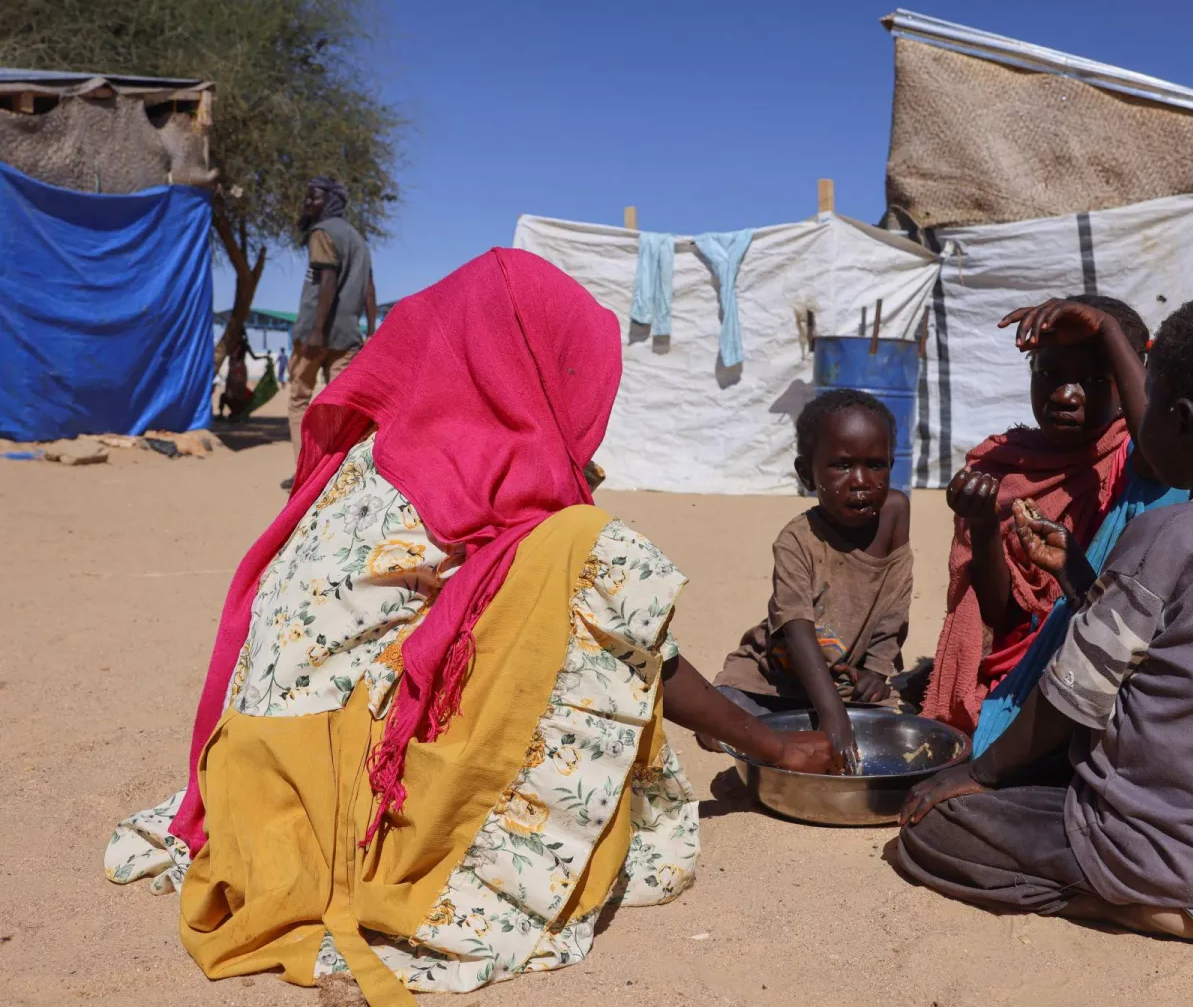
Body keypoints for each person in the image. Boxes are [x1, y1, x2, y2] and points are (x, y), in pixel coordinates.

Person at [104, 249, 842, 1005]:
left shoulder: (384, 450)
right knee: (585, 554)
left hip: (255, 778)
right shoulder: (479, 470)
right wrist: (770, 744)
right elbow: (625, 631)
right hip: (338, 806)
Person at [898, 287, 1193, 946]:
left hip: (1158, 848)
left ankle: (1140, 907)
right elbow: (1161, 645)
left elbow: (1071, 699)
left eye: (1150, 399)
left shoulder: (1167, 536)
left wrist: (975, 775)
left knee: (929, 833)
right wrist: (1078, 574)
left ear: (1181, 422)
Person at [922, 294, 1170, 736]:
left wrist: (1110, 330)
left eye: (1096, 379)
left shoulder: (1136, 460)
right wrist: (982, 525)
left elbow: (1161, 457)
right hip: (1027, 665)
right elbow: (1002, 619)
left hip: (1113, 662)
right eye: (1048, 374)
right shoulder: (1002, 466)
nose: (1065, 395)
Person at [710, 389, 912, 769]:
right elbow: (797, 627)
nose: (860, 481)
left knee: (897, 733)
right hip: (775, 678)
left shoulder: (895, 513)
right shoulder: (796, 541)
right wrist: (833, 715)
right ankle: (795, 730)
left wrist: (876, 670)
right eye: (841, 466)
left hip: (845, 683)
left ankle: (797, 730)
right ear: (807, 474)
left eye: (876, 465)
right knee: (718, 720)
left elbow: (895, 600)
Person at [282, 177, 379, 490]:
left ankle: (304, 477)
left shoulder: (323, 232)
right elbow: (369, 291)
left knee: (299, 400)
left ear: (330, 201)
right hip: (349, 337)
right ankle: (334, 478)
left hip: (316, 334)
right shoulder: (358, 241)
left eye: (313, 198)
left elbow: (327, 281)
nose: (307, 203)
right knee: (340, 414)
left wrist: (317, 332)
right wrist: (371, 332)